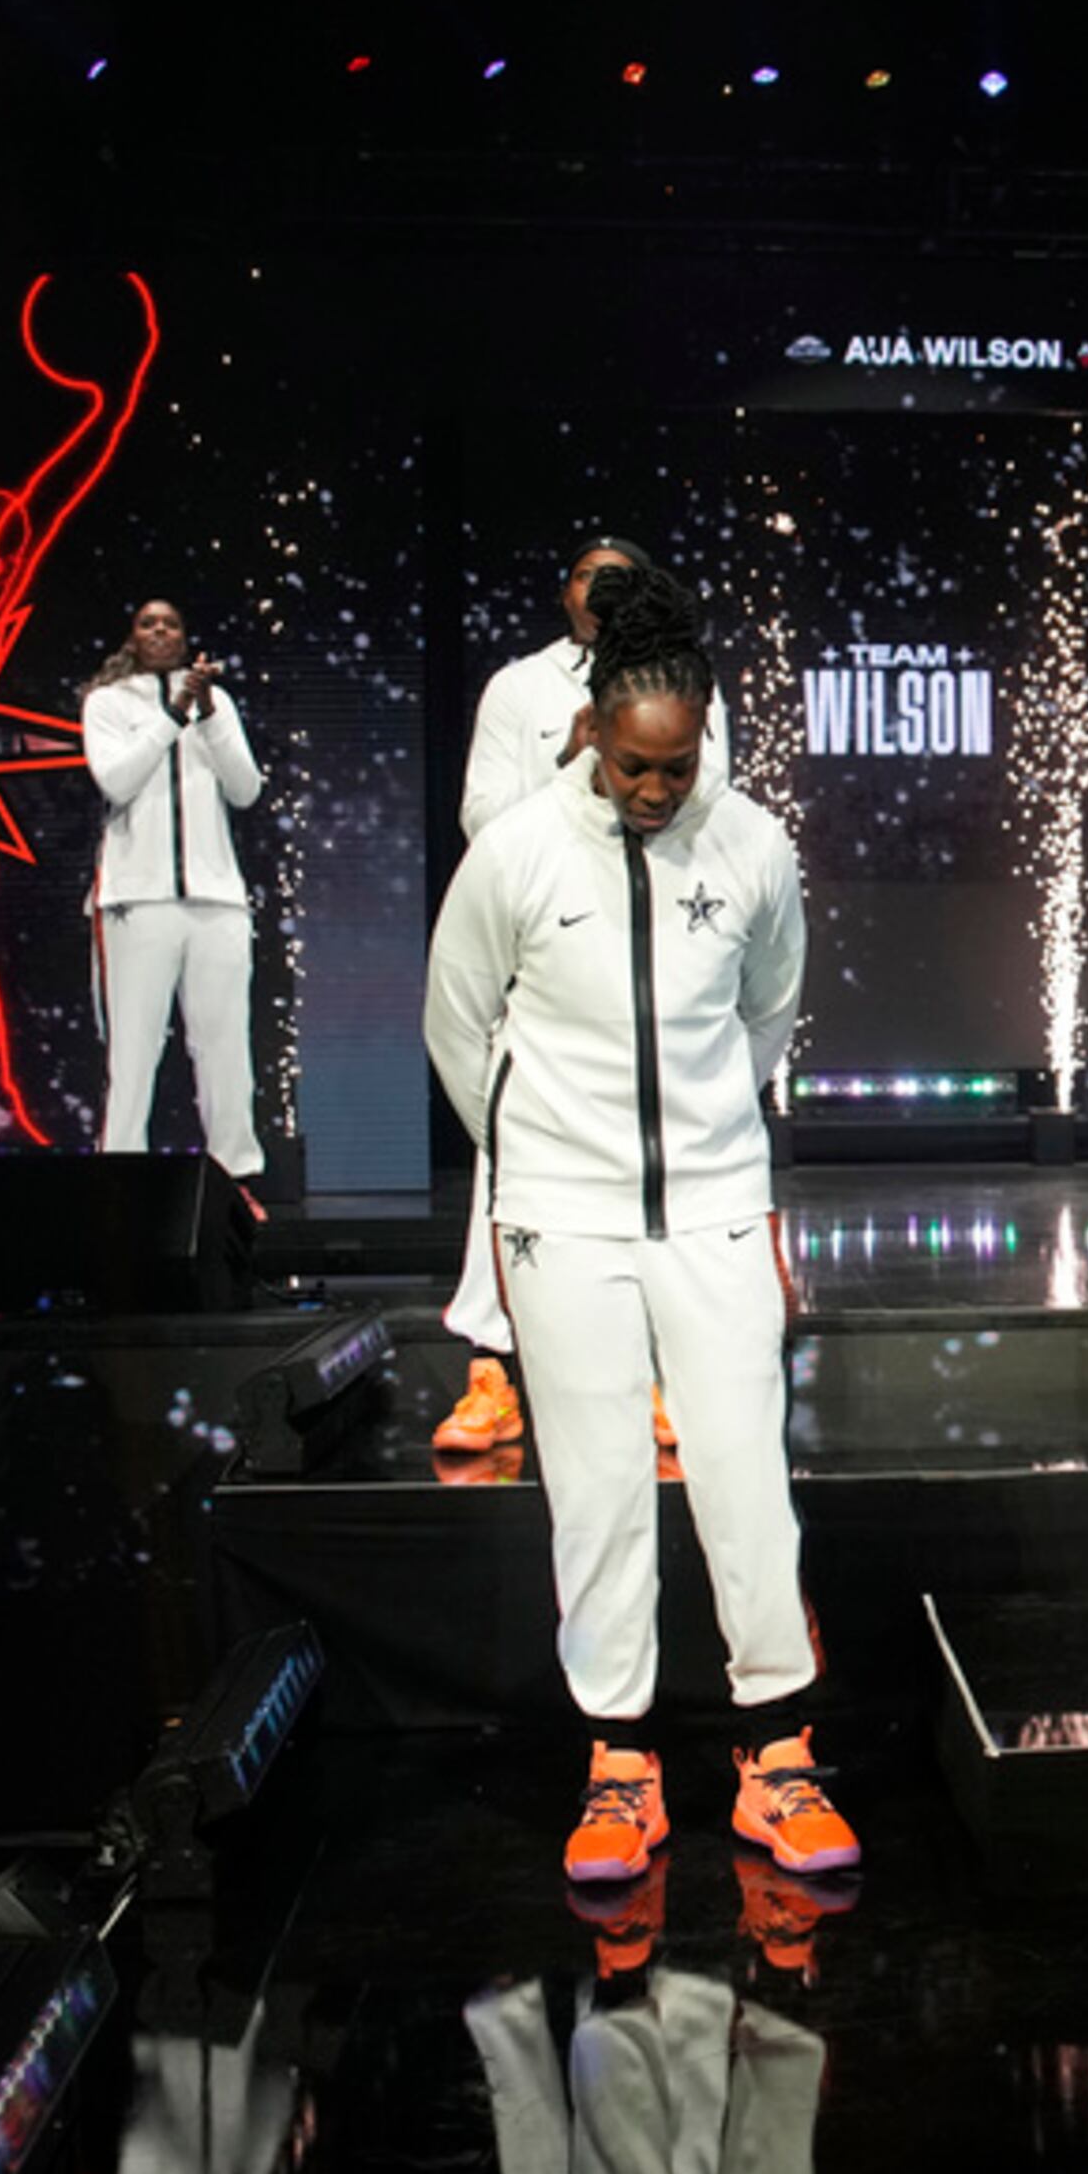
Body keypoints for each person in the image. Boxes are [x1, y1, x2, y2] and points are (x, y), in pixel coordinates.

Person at [423, 560, 852, 1886]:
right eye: (635, 765)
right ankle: (621, 1768)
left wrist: (717, 1137)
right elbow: (457, 1023)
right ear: (596, 730)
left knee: (744, 1482)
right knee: (601, 1493)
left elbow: (770, 1012)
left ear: (705, 731)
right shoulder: (519, 850)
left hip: (717, 1209)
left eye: (678, 767)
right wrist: (539, 1157)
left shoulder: (754, 843)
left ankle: (775, 1760)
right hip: (564, 1219)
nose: (656, 791)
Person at [436, 536, 737, 1452]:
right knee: (511, 1158)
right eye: (584, 573)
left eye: (620, 575)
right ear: (562, 591)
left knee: (653, 1171)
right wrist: (574, 765)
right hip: (550, 944)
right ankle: (493, 1370)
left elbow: (710, 788)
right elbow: (481, 816)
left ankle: (654, 1374)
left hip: (650, 943)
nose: (600, 588)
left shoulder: (685, 681)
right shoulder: (518, 687)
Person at [84, 599, 269, 1186]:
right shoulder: (108, 704)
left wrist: (209, 713)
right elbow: (117, 779)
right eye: (147, 623)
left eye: (171, 624)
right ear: (132, 637)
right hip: (138, 901)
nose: (160, 631)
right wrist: (173, 713)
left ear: (186, 638)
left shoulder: (218, 704)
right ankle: (120, 1182)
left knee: (225, 1052)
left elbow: (245, 790)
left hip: (217, 899)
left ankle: (237, 1179)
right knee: (133, 1054)